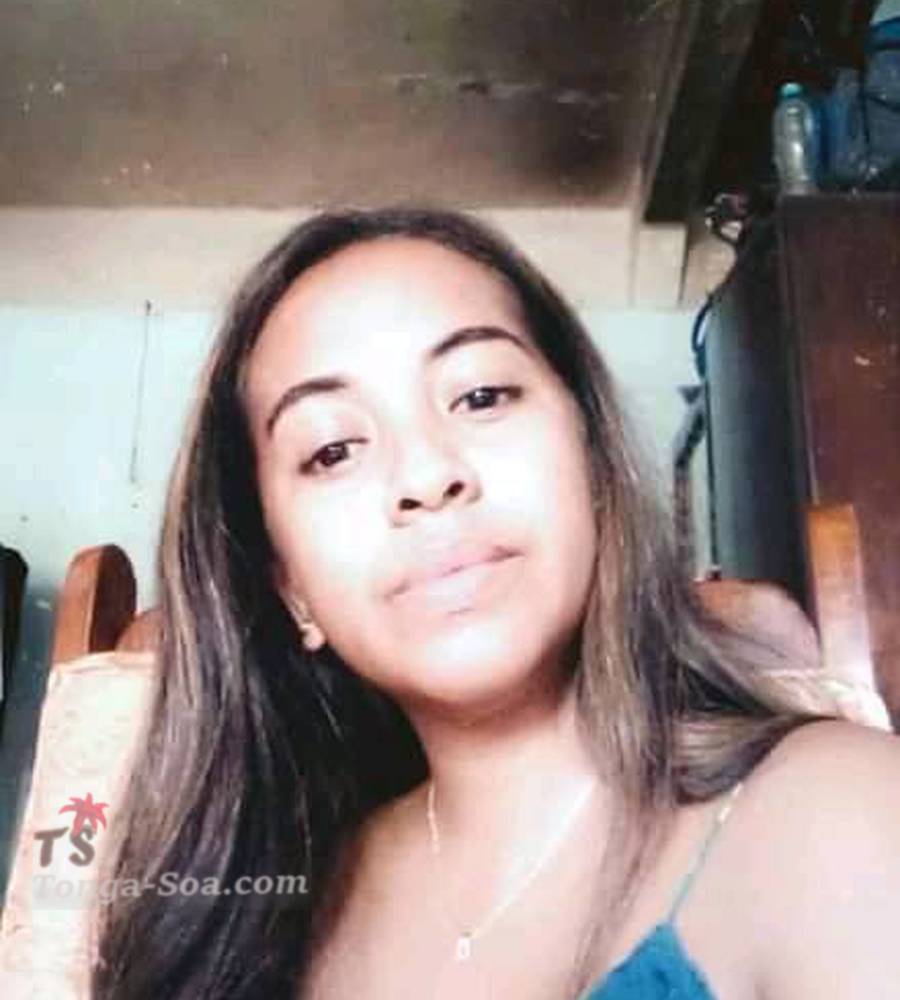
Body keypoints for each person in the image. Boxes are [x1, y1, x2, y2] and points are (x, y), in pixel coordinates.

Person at [91, 207, 900, 1000]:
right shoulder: (264, 907)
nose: (425, 477)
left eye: (480, 396)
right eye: (333, 449)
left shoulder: (835, 813)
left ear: (592, 458)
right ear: (290, 586)